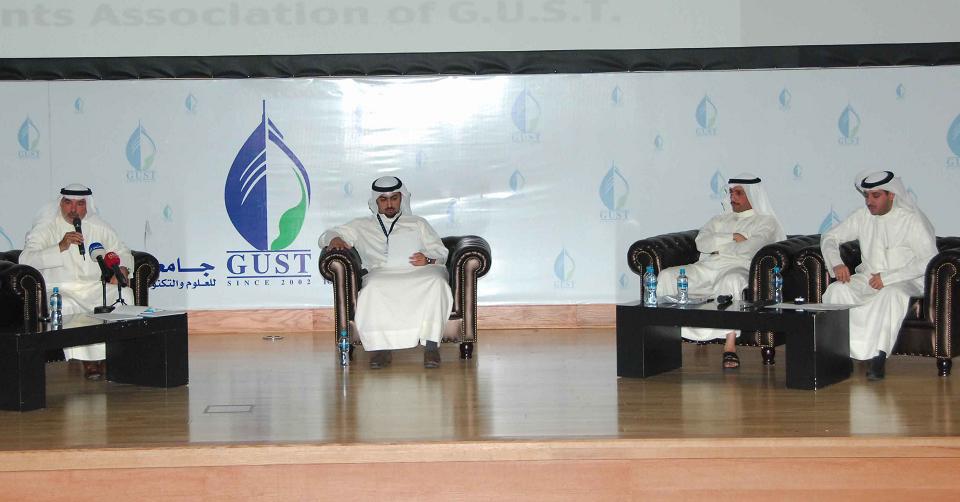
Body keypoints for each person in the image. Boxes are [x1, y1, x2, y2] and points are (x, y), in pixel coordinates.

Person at [320, 176, 452, 369]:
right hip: (381, 273)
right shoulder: (361, 225)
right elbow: (327, 235)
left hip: (419, 271)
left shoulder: (418, 223)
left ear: (401, 198)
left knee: (437, 282)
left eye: (394, 198)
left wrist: (428, 259)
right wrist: (335, 240)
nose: (389, 204)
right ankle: (381, 348)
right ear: (376, 201)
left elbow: (441, 251)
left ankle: (431, 347)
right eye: (383, 199)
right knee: (373, 287)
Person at [656, 174, 786, 369]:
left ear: (753, 195)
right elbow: (702, 243)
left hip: (740, 266)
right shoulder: (719, 219)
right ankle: (662, 341)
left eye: (739, 193)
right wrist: (734, 237)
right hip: (709, 265)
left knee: (731, 280)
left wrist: (718, 246)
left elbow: (749, 249)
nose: (732, 197)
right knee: (667, 276)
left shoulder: (766, 222)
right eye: (731, 192)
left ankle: (730, 346)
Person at [821, 170, 937, 380]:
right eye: (867, 196)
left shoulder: (911, 220)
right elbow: (830, 237)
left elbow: (929, 259)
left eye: (876, 196)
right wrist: (836, 263)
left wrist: (888, 278)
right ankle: (841, 355)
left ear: (891, 195)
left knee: (891, 294)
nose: (869, 202)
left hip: (905, 280)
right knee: (837, 290)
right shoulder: (862, 216)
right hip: (868, 278)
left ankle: (878, 356)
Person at [20, 184, 135, 380]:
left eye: (79, 204)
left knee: (124, 294)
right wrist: (60, 246)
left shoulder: (99, 227)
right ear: (61, 203)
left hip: (94, 287)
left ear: (87, 205)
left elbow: (122, 251)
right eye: (68, 203)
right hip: (60, 288)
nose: (73, 209)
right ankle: (88, 361)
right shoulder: (46, 227)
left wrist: (122, 269)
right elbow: (26, 259)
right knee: (65, 304)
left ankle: (116, 355)